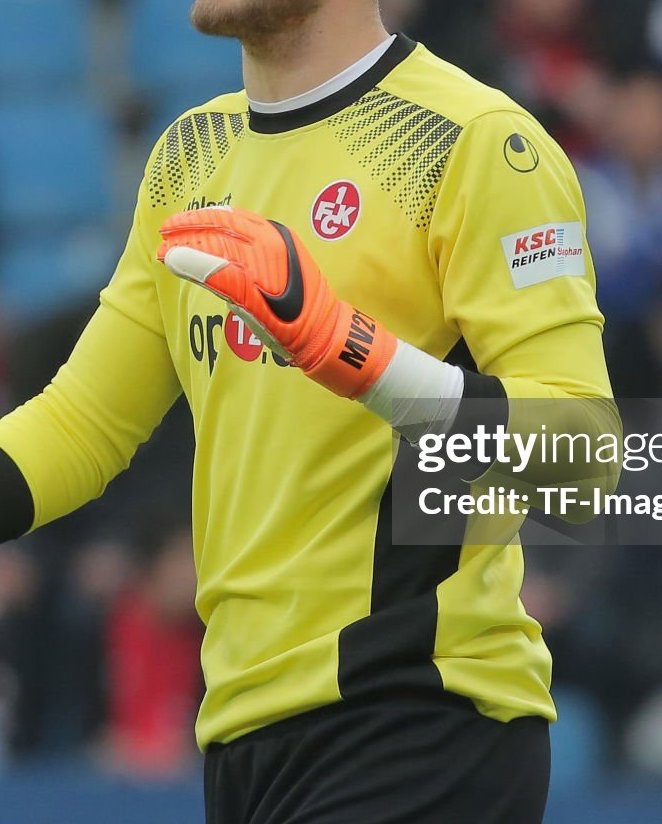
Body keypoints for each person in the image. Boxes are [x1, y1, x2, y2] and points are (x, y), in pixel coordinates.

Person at [0, 1, 619, 821]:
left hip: (419, 716)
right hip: (240, 732)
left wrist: (354, 354)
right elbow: (80, 426)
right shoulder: (188, 155)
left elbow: (590, 461)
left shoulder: (476, 141)